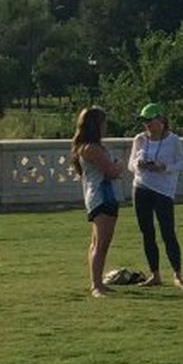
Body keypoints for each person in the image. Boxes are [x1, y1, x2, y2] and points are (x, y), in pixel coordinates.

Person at [127, 102, 183, 288]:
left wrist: (164, 168)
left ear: (161, 120)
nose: (147, 125)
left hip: (163, 190)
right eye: (144, 121)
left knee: (167, 232)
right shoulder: (139, 139)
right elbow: (130, 164)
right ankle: (154, 274)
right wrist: (138, 164)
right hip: (141, 187)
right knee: (147, 232)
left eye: (150, 120)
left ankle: (177, 274)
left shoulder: (173, 140)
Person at [70, 106, 122, 298]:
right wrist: (119, 166)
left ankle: (97, 281)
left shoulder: (89, 147)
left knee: (96, 242)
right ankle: (96, 285)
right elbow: (111, 171)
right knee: (101, 243)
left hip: (100, 195)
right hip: (102, 196)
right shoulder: (91, 148)